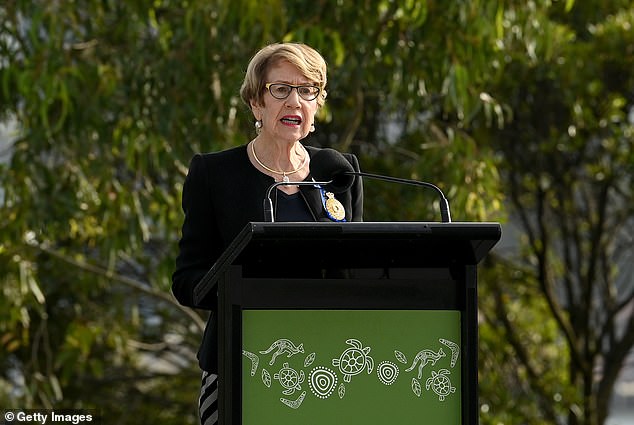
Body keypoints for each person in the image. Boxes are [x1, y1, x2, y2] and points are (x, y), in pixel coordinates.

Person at [171, 42, 363, 425]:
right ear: (257, 104)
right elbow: (187, 280)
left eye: (307, 90)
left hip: (326, 369)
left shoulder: (339, 172)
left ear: (317, 106)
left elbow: (354, 274)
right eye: (281, 89)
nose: (295, 101)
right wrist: (242, 288)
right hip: (239, 365)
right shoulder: (215, 174)